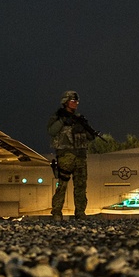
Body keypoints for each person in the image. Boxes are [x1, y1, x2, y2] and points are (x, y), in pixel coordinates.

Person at [47, 90, 97, 221]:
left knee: (81, 186)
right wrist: (63, 121)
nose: (75, 104)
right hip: (65, 155)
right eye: (73, 101)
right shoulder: (58, 117)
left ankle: (80, 213)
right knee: (62, 185)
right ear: (66, 102)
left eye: (76, 101)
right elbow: (51, 131)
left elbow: (90, 137)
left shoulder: (79, 118)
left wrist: (86, 130)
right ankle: (57, 212)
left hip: (80, 156)